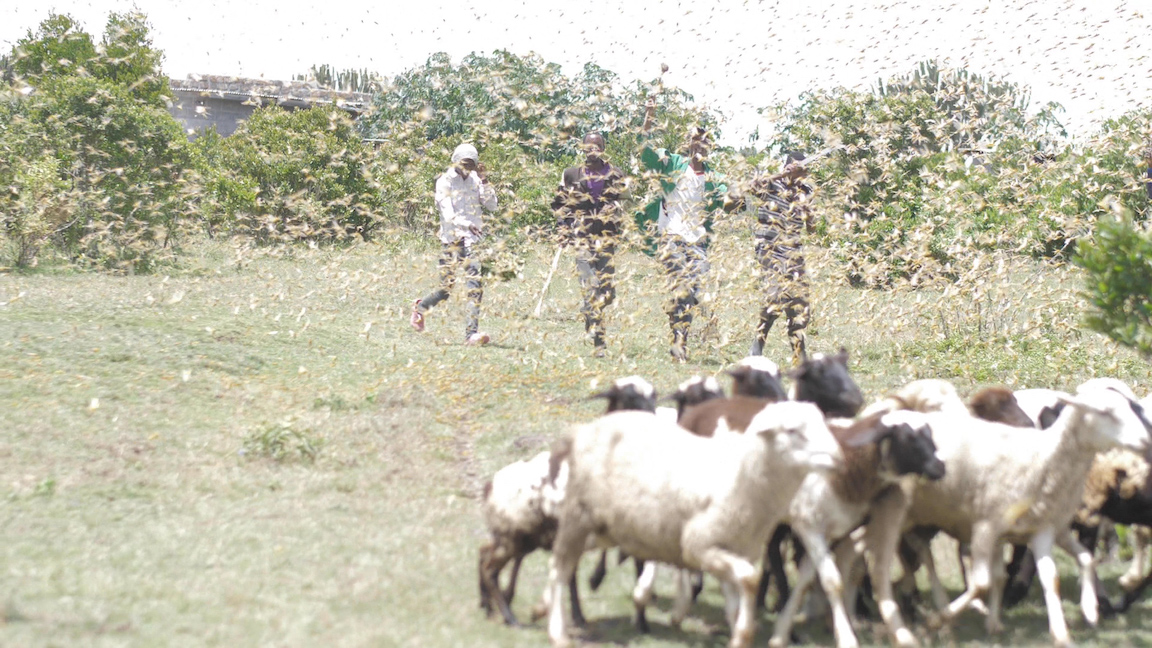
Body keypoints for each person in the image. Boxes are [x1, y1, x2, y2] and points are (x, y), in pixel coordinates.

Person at [639, 98, 740, 362]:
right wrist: (649, 113)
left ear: (710, 146)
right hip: (671, 236)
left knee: (696, 292)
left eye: (705, 141)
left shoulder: (715, 178)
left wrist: (739, 197)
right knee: (682, 288)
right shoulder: (672, 163)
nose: (700, 144)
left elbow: (729, 205)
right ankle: (679, 344)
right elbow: (645, 147)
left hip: (698, 242)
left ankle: (678, 326)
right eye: (696, 140)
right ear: (690, 144)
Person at [410, 142, 498, 345]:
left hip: (472, 241)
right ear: (455, 161)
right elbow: (448, 215)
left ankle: (471, 335)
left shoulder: (476, 180)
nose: (466, 168)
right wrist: (467, 224)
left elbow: (492, 206)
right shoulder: (444, 182)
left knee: (475, 287)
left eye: (471, 164)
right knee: (445, 290)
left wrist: (485, 180)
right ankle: (421, 307)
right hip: (451, 240)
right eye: (463, 163)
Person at [550, 132, 627, 357]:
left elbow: (626, 202)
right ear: (582, 148)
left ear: (603, 149)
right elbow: (559, 204)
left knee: (607, 292)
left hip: (607, 238)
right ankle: (598, 339)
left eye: (597, 146)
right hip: (582, 237)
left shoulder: (616, 173)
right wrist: (563, 227)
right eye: (589, 146)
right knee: (590, 285)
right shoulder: (571, 174)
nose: (592, 150)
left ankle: (591, 316)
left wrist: (615, 209)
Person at [748, 152, 815, 365]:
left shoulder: (806, 191)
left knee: (799, 302)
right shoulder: (772, 185)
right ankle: (757, 346)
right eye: (794, 169)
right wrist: (781, 175)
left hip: (792, 252)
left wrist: (808, 212)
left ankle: (799, 355)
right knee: (775, 295)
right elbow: (752, 186)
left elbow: (812, 229)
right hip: (768, 248)